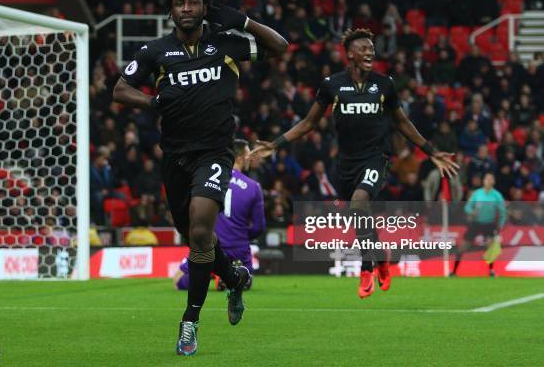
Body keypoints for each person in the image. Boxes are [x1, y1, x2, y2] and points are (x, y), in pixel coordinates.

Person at [112, 0, 287, 356]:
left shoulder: (226, 43)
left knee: (202, 223)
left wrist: (241, 20)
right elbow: (119, 90)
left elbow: (279, 46)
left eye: (193, 2)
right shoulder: (156, 51)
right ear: (171, 10)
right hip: (176, 156)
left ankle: (189, 321)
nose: (186, 9)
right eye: (179, 4)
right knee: (194, 238)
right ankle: (234, 276)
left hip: (215, 153)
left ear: (204, 7)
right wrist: (153, 103)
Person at [250, 28, 458, 299]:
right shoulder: (332, 85)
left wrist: (430, 151)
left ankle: (367, 267)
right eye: (364, 49)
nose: (370, 52)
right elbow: (310, 122)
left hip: (377, 158)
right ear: (350, 54)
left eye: (372, 49)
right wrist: (275, 144)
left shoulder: (385, 85)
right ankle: (382, 257)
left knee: (359, 203)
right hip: (346, 164)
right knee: (359, 214)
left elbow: (402, 122)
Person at [173, 139, 265, 291]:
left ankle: (213, 274)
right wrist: (239, 234)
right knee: (244, 277)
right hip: (239, 250)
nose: (250, 159)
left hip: (210, 246)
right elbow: (259, 227)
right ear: (240, 158)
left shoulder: (209, 182)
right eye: (248, 155)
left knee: (178, 281)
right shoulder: (254, 187)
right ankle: (235, 275)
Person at [451, 172, 507, 277]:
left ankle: (491, 271)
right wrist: (472, 212)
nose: (489, 181)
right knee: (463, 247)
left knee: (491, 247)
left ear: (494, 182)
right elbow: (467, 207)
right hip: (476, 223)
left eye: (491, 179)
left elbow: (503, 213)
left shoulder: (497, 195)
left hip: (490, 224)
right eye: (487, 179)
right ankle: (454, 271)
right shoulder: (477, 193)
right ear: (483, 181)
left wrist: (500, 226)